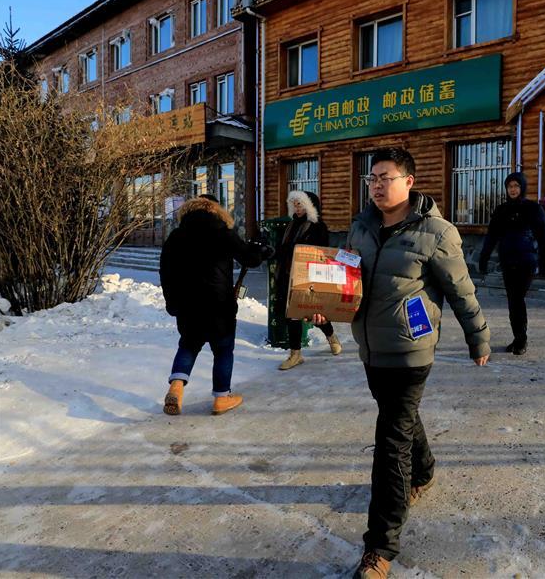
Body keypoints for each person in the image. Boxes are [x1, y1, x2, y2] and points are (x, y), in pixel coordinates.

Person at [311, 148, 490, 579]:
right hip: (370, 348)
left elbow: (462, 291)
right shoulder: (360, 226)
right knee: (400, 419)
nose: (376, 185)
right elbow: (344, 278)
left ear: (409, 181)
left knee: (390, 442)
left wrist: (478, 336)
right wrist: (324, 305)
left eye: (385, 177)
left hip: (411, 349)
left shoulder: (436, 232)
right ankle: (424, 470)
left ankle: (380, 547)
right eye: (371, 178)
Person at [159, 194, 273, 415]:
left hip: (187, 305)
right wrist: (262, 251)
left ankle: (176, 386)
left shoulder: (176, 236)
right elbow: (249, 258)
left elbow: (166, 272)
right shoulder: (223, 232)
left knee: (188, 345)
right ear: (217, 210)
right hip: (218, 305)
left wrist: (172, 302)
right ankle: (222, 397)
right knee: (223, 349)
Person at [478, 172, 545, 355]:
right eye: (510, 186)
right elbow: (491, 236)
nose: (513, 189)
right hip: (507, 260)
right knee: (513, 301)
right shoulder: (501, 210)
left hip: (526, 261)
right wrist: (484, 257)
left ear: (522, 188)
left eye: (516, 186)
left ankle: (521, 340)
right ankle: (518, 337)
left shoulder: (533, 209)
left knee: (517, 299)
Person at [274, 189, 343, 370]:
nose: (297, 208)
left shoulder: (317, 226)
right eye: (295, 204)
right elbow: (282, 247)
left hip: (309, 277)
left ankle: (331, 336)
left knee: (315, 313)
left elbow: (320, 252)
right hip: (288, 276)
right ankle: (295, 354)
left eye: (301, 204)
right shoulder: (290, 226)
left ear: (310, 206)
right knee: (293, 315)